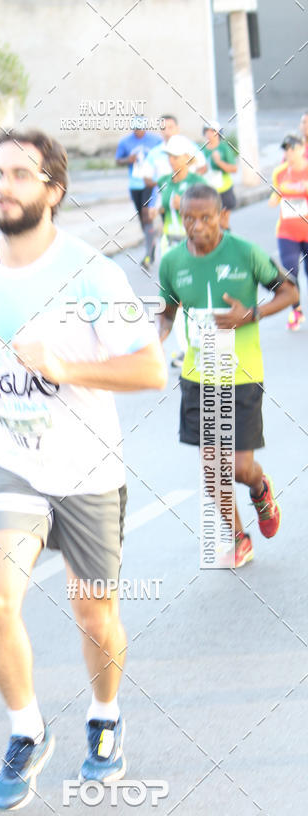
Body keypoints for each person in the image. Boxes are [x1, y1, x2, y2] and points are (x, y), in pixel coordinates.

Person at [0, 128, 167, 810]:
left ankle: (104, 716)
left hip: (88, 471)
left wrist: (66, 366)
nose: (3, 185)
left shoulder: (91, 274)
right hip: (9, 464)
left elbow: (151, 368)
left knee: (94, 616)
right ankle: (26, 730)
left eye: (20, 174)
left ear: (53, 190)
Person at [157, 184, 298, 567]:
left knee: (238, 467)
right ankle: (239, 539)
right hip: (198, 376)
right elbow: (168, 312)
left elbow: (289, 293)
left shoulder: (245, 253)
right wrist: (151, 341)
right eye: (189, 218)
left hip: (242, 375)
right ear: (180, 218)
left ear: (222, 216)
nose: (196, 226)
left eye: (206, 218)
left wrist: (250, 315)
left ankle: (260, 487)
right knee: (212, 467)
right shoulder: (171, 262)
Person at [156, 136, 206, 368]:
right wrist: (159, 209)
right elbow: (161, 209)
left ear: (187, 158)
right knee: (174, 297)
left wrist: (183, 205)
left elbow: (207, 212)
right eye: (169, 157)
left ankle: (200, 346)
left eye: (176, 156)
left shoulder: (197, 182)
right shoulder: (164, 181)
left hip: (192, 244)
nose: (172, 161)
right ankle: (185, 349)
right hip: (170, 244)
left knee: (194, 296)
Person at [269, 133, 308, 331]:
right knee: (291, 272)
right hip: (287, 232)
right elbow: (274, 197)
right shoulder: (280, 172)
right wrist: (276, 198)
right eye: (286, 149)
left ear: (302, 148)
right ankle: (297, 311)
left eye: (292, 148)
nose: (289, 152)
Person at [115, 116, 162, 269]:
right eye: (136, 130)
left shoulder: (155, 140)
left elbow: (164, 156)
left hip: (150, 182)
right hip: (135, 184)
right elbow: (118, 160)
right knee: (142, 218)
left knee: (147, 214)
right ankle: (151, 241)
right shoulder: (125, 142)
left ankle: (148, 255)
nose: (139, 132)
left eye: (141, 129)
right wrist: (129, 159)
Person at [142, 114, 207, 189]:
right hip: (166, 198)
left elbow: (203, 167)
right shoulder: (154, 152)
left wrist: (188, 182)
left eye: (170, 128)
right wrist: (166, 185)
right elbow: (146, 178)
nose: (167, 132)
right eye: (163, 128)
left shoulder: (191, 147)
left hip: (188, 195)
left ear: (177, 128)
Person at [202, 121, 238, 230]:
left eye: (212, 131)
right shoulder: (202, 149)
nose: (209, 134)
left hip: (224, 189)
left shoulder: (224, 148)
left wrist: (219, 162)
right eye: (207, 131)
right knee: (211, 222)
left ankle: (227, 243)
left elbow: (234, 169)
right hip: (208, 191)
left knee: (223, 222)